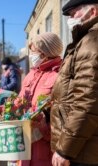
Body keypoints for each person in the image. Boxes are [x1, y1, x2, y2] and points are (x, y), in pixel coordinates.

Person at [51, 1, 98, 166]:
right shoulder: (84, 41)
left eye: (73, 14)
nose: (69, 19)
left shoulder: (92, 42)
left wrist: (66, 149)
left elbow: (87, 101)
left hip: (83, 151)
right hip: (83, 147)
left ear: (92, 11)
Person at [17, 32, 63, 166]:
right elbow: (19, 102)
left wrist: (44, 128)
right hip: (25, 147)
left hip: (45, 151)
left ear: (44, 53)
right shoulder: (31, 74)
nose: (31, 53)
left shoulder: (60, 76)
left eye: (34, 50)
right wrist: (2, 110)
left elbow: (65, 118)